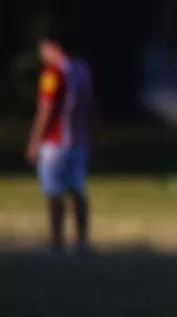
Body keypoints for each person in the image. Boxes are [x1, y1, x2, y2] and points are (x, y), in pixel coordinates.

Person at [25, 28, 94, 253]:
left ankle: (57, 241)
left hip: (56, 141)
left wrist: (35, 139)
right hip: (79, 140)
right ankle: (82, 240)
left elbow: (47, 108)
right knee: (77, 190)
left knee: (54, 191)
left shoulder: (52, 73)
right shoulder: (82, 69)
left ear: (54, 47)